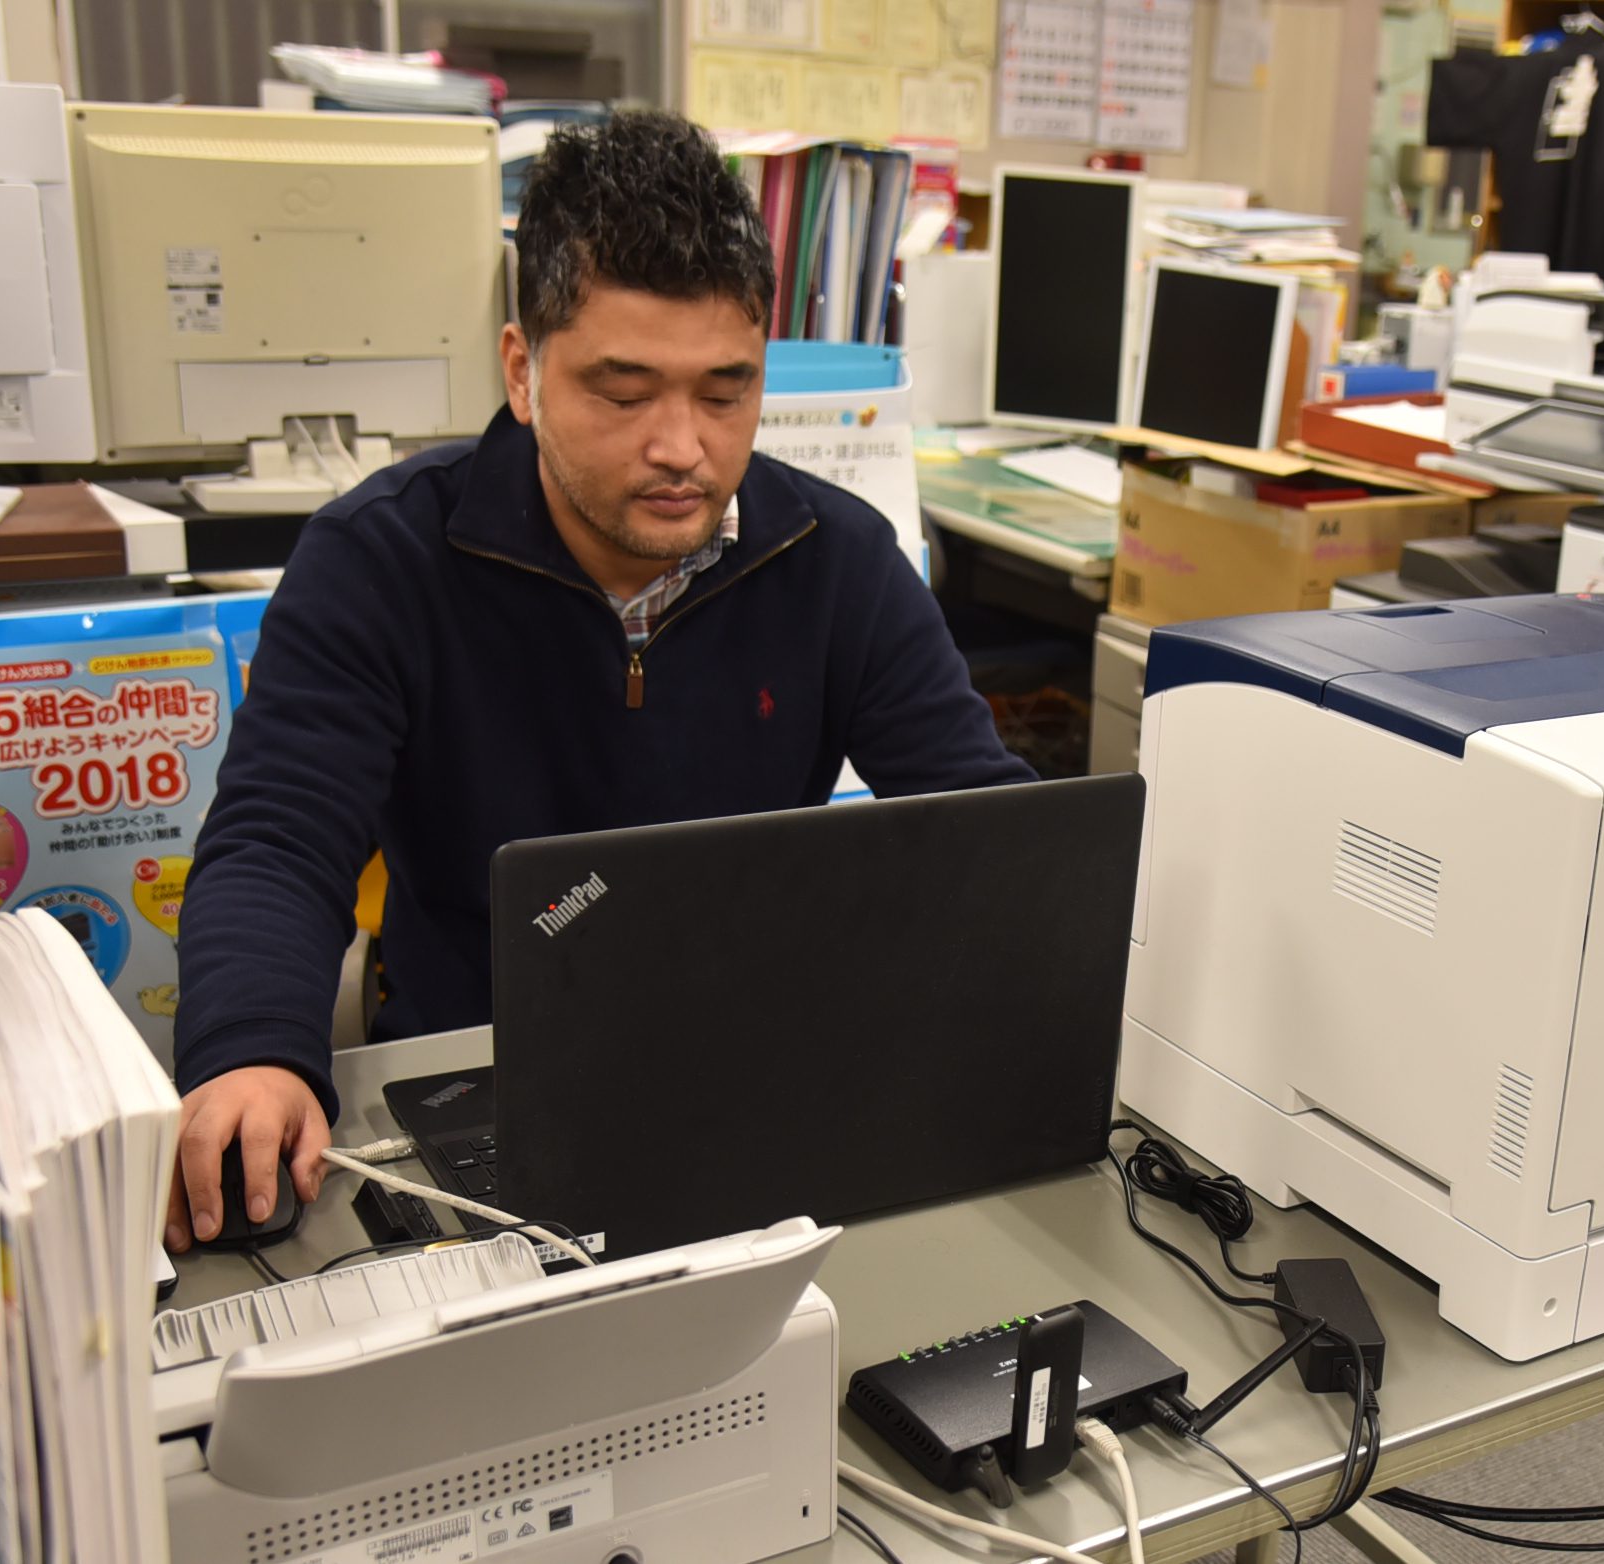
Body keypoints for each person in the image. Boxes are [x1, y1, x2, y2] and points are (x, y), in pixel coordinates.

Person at [166, 111, 1034, 1252]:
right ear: (522, 372)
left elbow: (982, 831)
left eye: (724, 393)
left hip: (757, 1082)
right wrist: (252, 1049)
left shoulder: (836, 560)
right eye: (624, 395)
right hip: (475, 1069)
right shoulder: (380, 558)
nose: (681, 447)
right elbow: (280, 839)